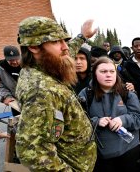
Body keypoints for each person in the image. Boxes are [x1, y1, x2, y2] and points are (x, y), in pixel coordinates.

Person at [15, 16, 97, 171]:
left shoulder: (43, 67)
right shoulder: (41, 91)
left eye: (64, 40)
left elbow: (66, 51)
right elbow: (32, 151)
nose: (65, 47)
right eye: (56, 41)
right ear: (34, 47)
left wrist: (82, 37)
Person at [79, 57, 140, 172]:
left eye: (112, 71)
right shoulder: (86, 94)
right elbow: (78, 122)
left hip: (128, 150)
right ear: (95, 74)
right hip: (100, 154)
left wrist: (122, 120)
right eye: (103, 71)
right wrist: (96, 121)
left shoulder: (126, 92)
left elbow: (138, 118)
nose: (108, 75)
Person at [0, 45, 22, 116]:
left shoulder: (28, 64)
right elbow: (0, 85)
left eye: (16, 59)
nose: (15, 62)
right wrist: (7, 96)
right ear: (6, 59)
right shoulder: (0, 68)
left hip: (31, 99)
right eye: (11, 60)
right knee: (18, 122)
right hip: (14, 101)